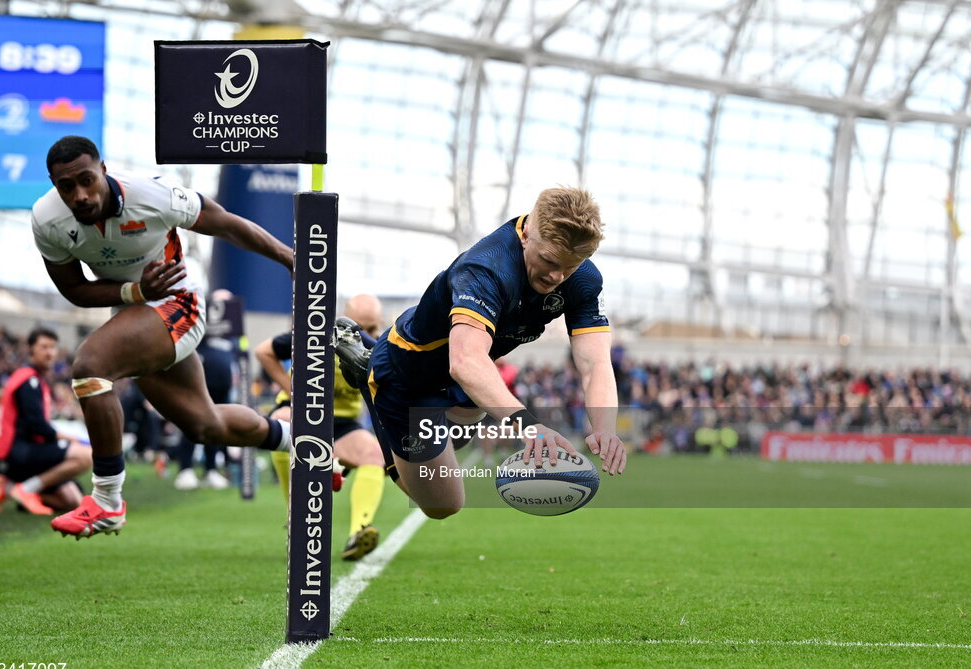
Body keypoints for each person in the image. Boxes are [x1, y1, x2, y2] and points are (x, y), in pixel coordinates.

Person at [32, 136, 294, 539]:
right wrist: (135, 293)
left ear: (103, 171)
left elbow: (224, 222)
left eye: (87, 180)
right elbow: (75, 290)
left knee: (90, 366)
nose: (80, 195)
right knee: (205, 426)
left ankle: (106, 500)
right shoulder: (47, 219)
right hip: (136, 314)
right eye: (67, 186)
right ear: (54, 184)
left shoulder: (151, 194)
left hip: (179, 304)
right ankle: (304, 445)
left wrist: (291, 260)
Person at [336, 187, 627, 519]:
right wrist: (528, 426)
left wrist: (604, 427)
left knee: (455, 441)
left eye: (570, 267)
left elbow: (595, 362)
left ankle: (408, 427)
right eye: (548, 260)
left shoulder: (584, 279)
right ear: (528, 232)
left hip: (467, 375)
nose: (557, 276)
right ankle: (367, 369)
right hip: (409, 377)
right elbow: (465, 361)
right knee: (443, 505)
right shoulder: (486, 269)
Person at [256, 294, 388, 561]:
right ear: (346, 319)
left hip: (343, 427)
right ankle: (296, 521)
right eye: (360, 327)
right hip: (303, 415)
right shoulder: (316, 332)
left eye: (372, 328)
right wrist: (293, 391)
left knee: (375, 454)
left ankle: (358, 533)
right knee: (282, 421)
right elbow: (264, 351)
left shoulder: (384, 346)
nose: (366, 335)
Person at [0, 328, 93, 514]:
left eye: (53, 347)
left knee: (72, 501)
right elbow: (36, 425)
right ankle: (25, 490)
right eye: (44, 347)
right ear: (31, 349)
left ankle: (11, 487)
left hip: (25, 452)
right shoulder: (29, 381)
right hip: (18, 452)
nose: (50, 352)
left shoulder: (33, 378)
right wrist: (66, 438)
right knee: (86, 455)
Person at [172, 331, 235, 490]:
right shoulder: (202, 324)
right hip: (196, 387)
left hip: (222, 390)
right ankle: (186, 469)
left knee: (215, 427)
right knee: (191, 425)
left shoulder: (228, 334)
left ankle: (211, 469)